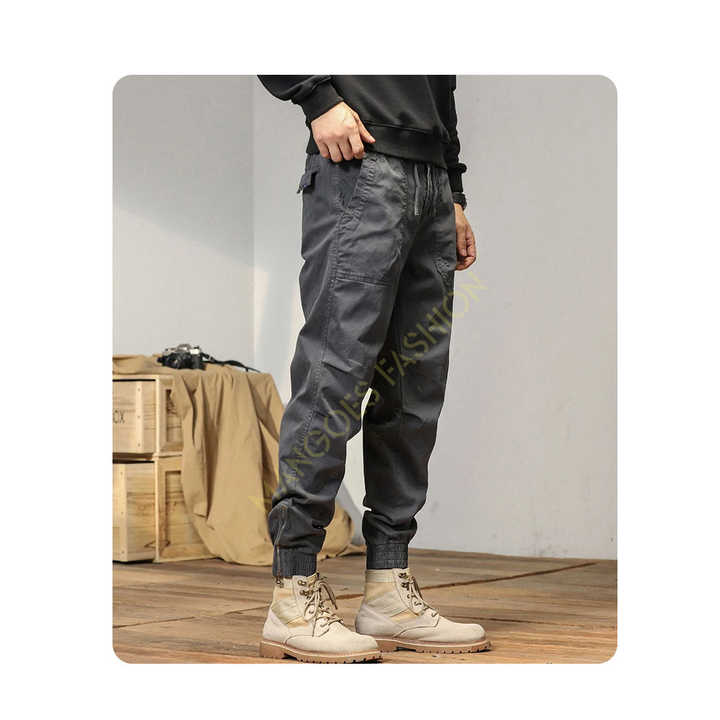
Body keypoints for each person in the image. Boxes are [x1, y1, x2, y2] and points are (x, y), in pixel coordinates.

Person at [256, 76, 489, 663]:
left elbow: (438, 81)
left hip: (431, 180)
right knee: (333, 377)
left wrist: (453, 189)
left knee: (413, 391)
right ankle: (293, 592)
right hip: (358, 166)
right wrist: (315, 98)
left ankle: (388, 587)